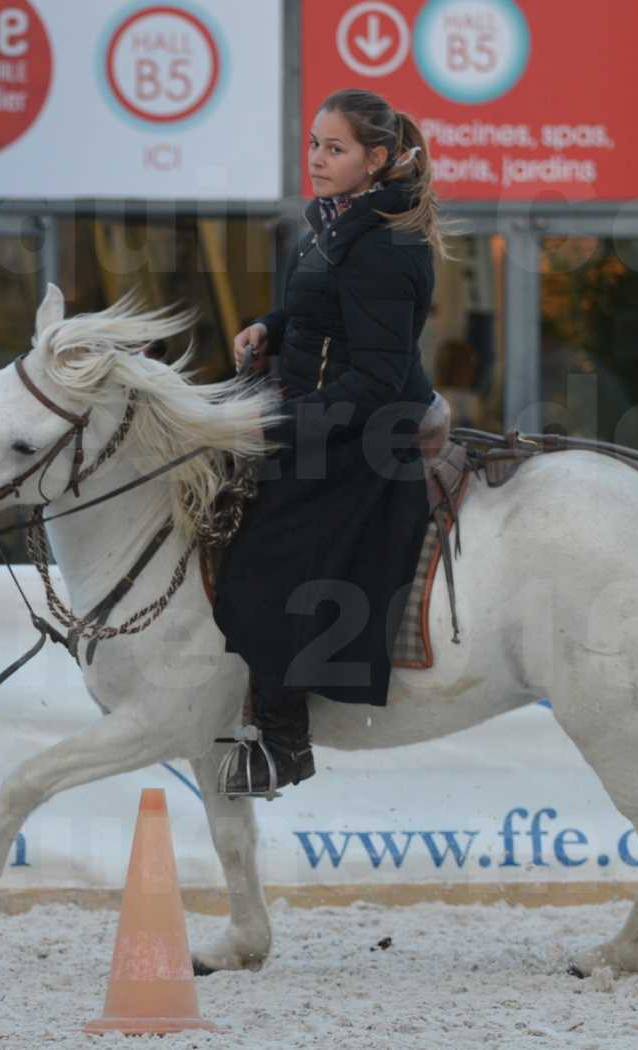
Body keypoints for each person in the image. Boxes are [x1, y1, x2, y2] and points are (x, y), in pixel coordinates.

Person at [212, 88, 448, 797]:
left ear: (374, 159)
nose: (316, 159)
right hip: (317, 412)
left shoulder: (385, 245)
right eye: (314, 143)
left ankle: (284, 743)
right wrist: (271, 327)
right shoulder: (336, 221)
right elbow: (320, 311)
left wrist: (284, 423)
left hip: (363, 435)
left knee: (263, 553)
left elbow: (376, 377)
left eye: (334, 148)